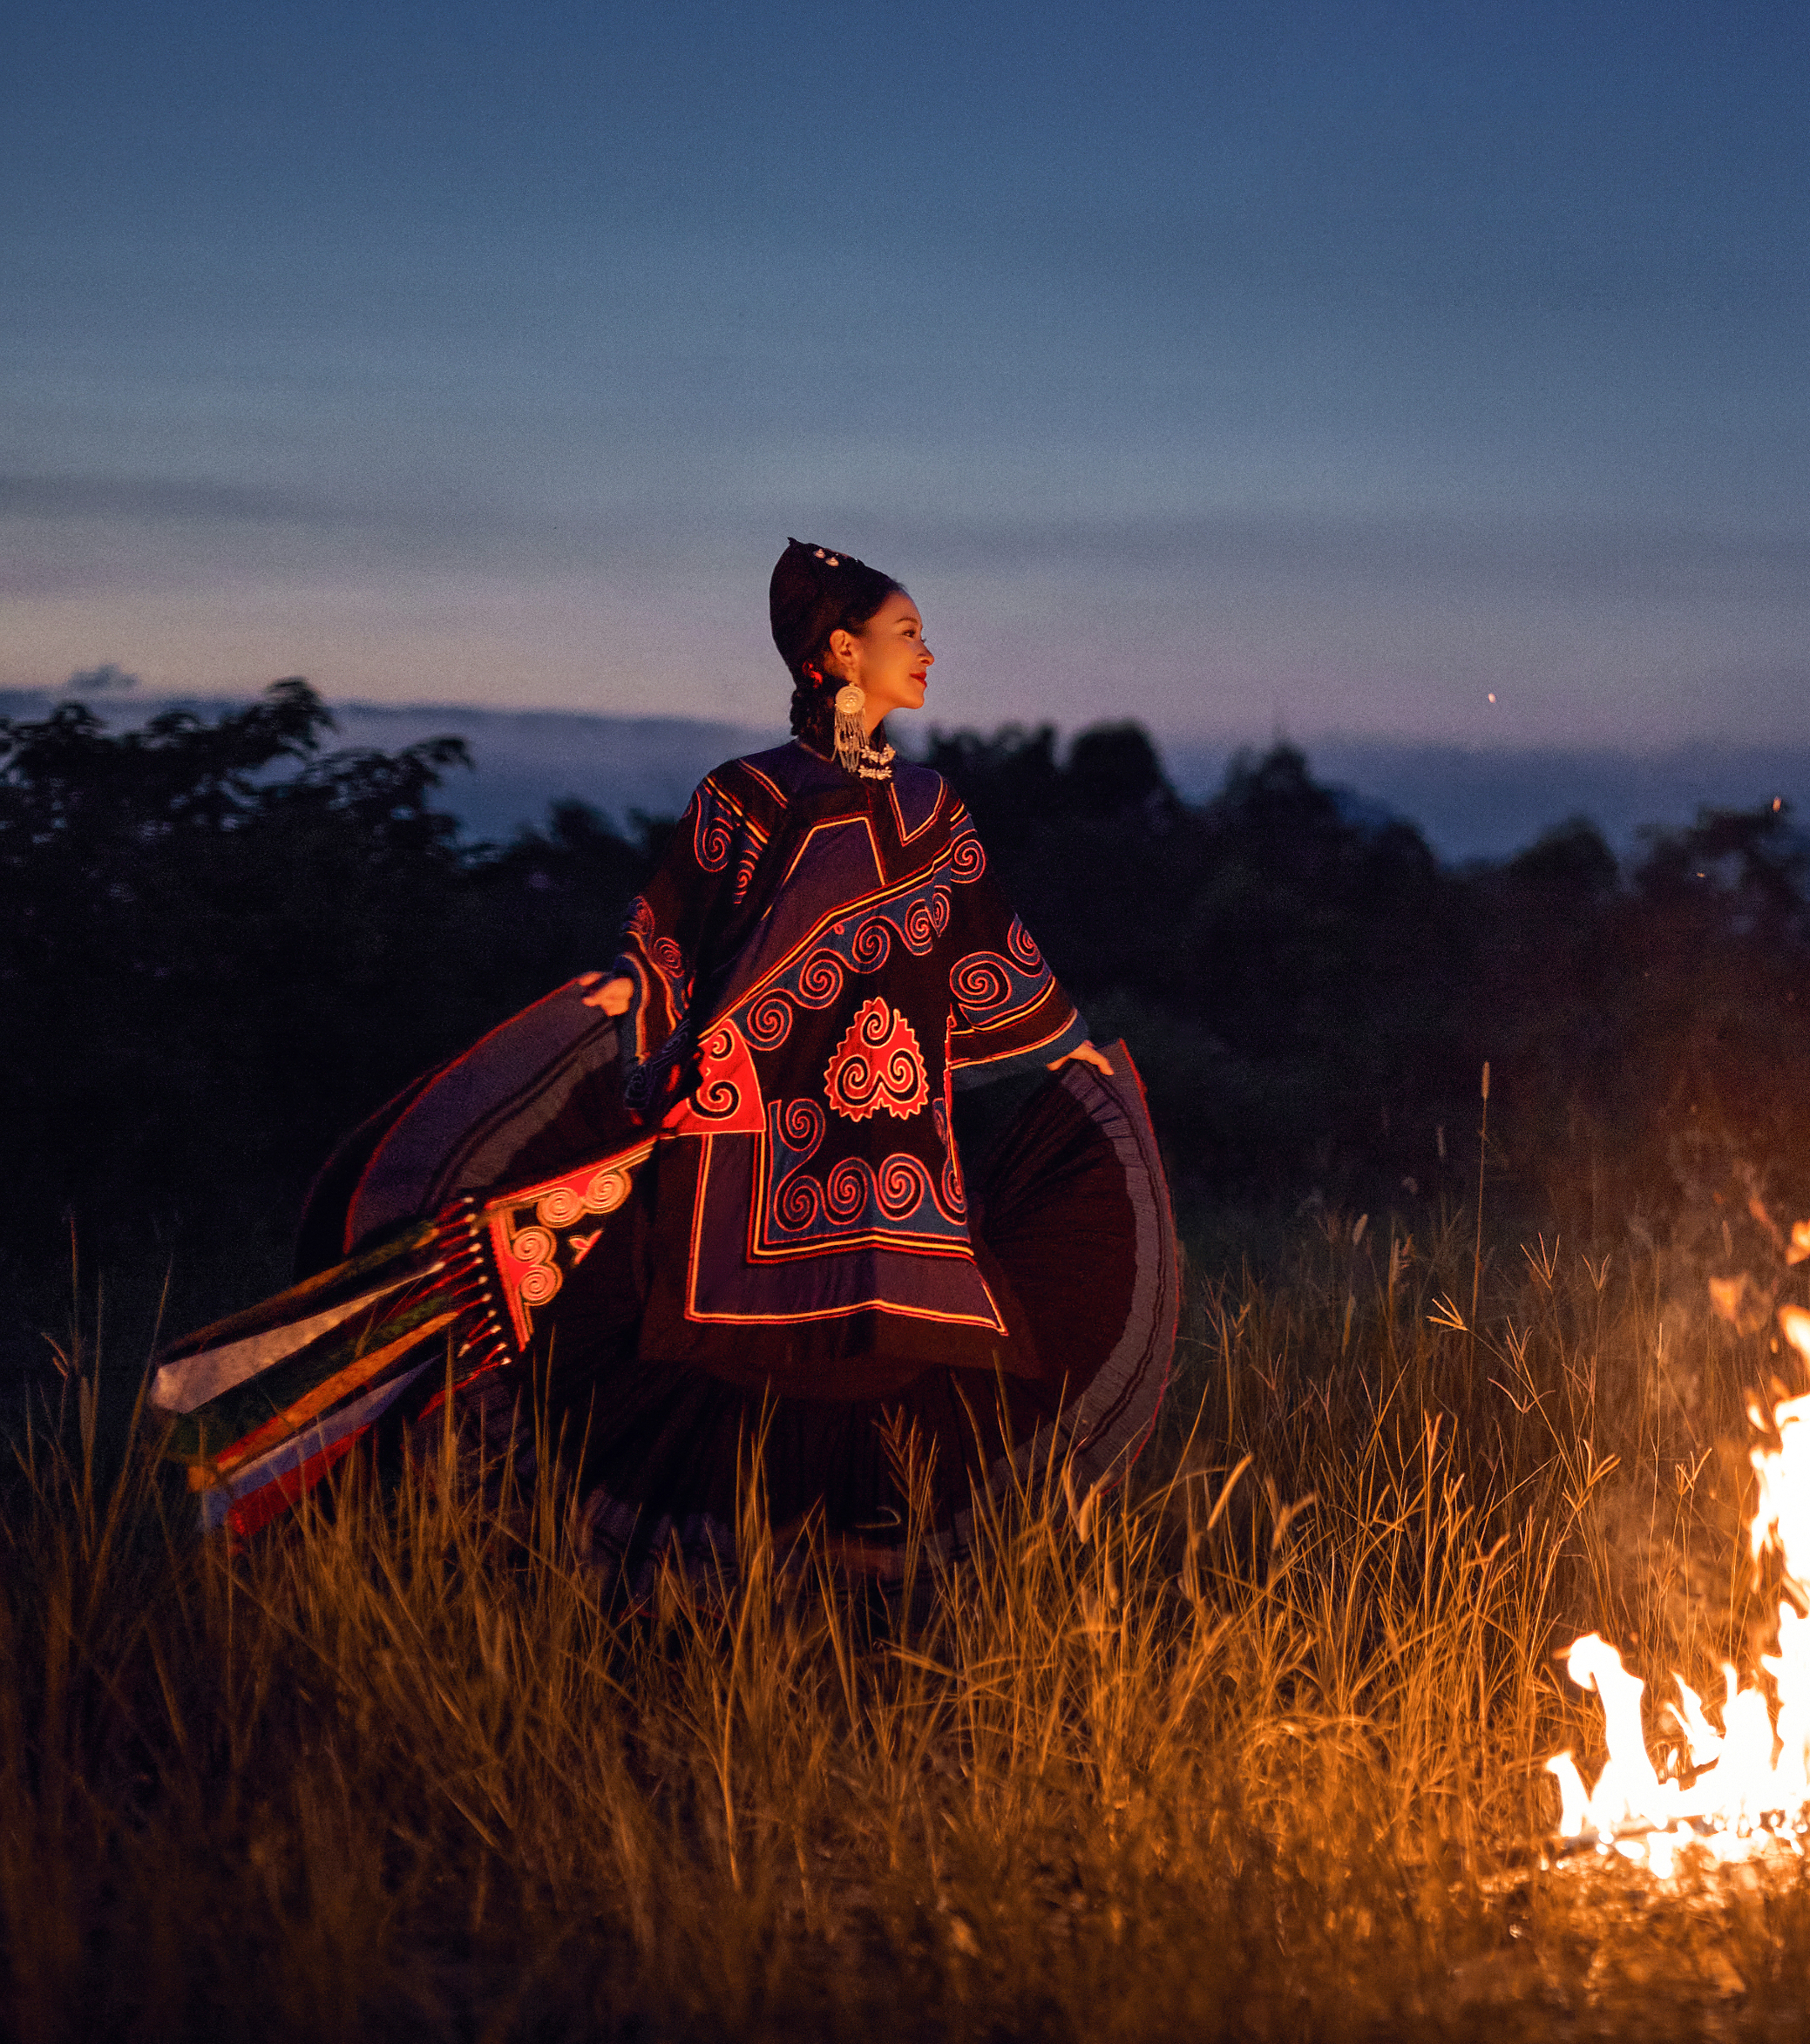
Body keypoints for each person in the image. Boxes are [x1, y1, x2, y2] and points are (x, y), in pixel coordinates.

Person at [173, 540, 1179, 1567]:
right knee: (722, 1362)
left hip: (895, 1154)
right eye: (908, 632)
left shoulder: (934, 809)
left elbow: (990, 958)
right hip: (746, 1140)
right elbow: (670, 936)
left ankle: (861, 1594)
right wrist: (626, 996)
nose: (929, 650)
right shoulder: (739, 797)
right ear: (838, 650)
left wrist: (1071, 1050)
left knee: (905, 1372)